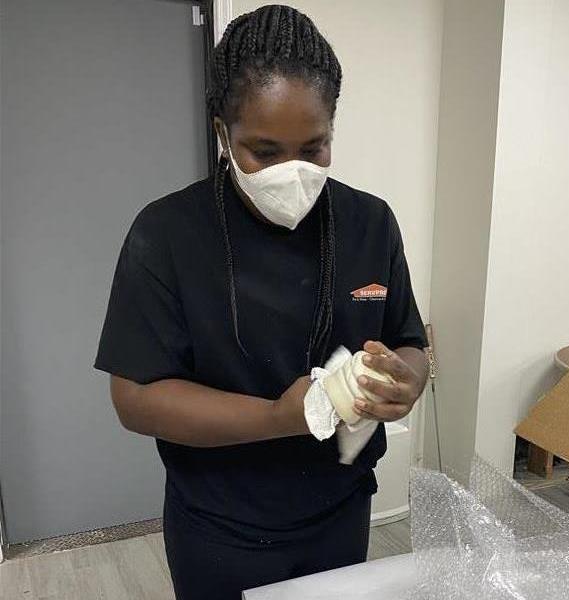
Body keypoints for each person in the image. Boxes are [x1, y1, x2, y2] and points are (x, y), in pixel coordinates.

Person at [93, 5, 428, 599]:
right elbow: (135, 397)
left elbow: (409, 339)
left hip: (341, 512)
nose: (291, 172)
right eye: (264, 152)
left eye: (314, 147)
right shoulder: (167, 234)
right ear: (222, 129)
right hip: (220, 529)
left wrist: (408, 381)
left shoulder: (370, 222)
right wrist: (277, 419)